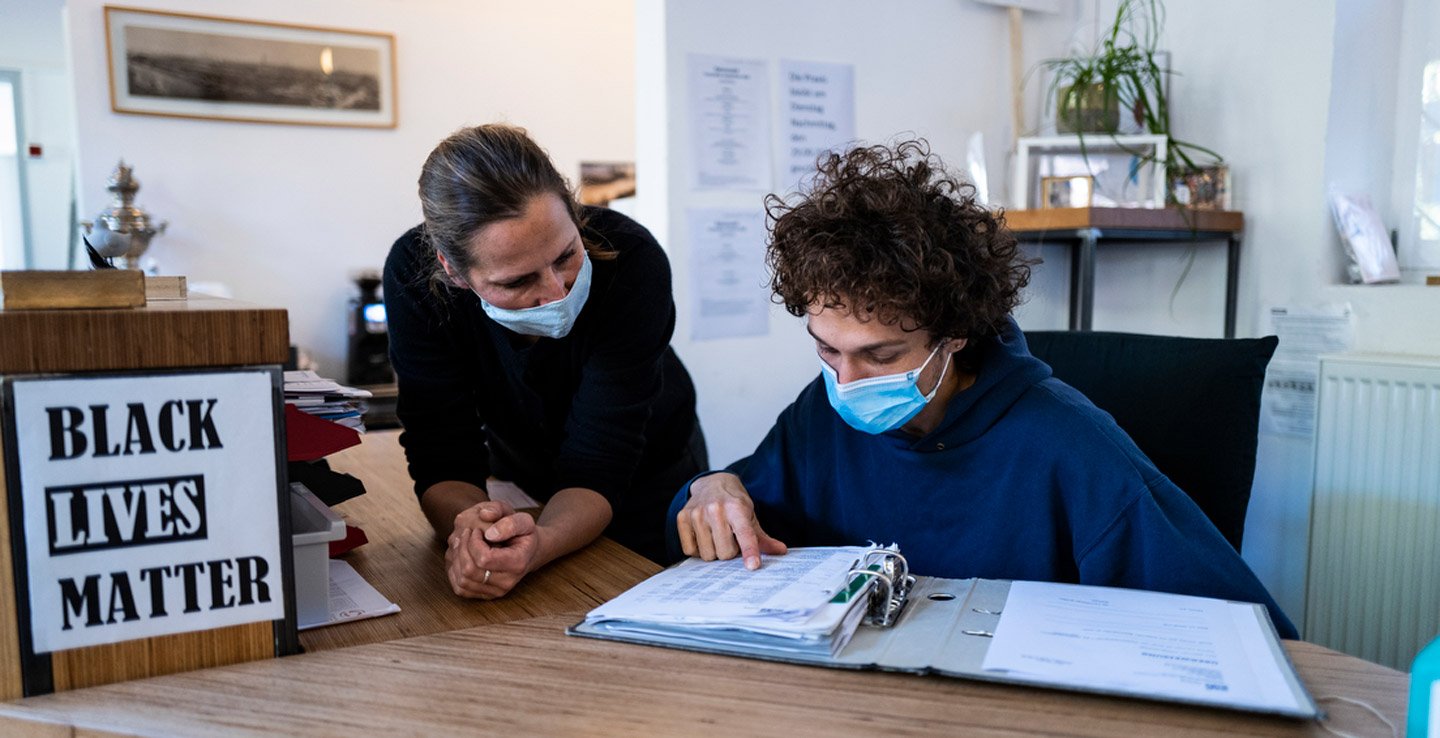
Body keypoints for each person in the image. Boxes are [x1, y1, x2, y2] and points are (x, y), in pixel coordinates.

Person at [668, 139, 1297, 638]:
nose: (847, 382)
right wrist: (712, 486)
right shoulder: (822, 412)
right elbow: (731, 518)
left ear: (958, 334)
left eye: (881, 355)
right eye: (827, 350)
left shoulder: (1071, 448)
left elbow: (1247, 635)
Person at [385, 124, 705, 599]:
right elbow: (440, 449)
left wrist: (540, 545)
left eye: (566, 255)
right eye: (516, 282)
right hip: (524, 476)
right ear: (454, 272)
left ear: (575, 217)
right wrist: (472, 529)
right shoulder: (415, 278)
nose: (558, 291)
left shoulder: (632, 260)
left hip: (646, 475)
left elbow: (601, 460)